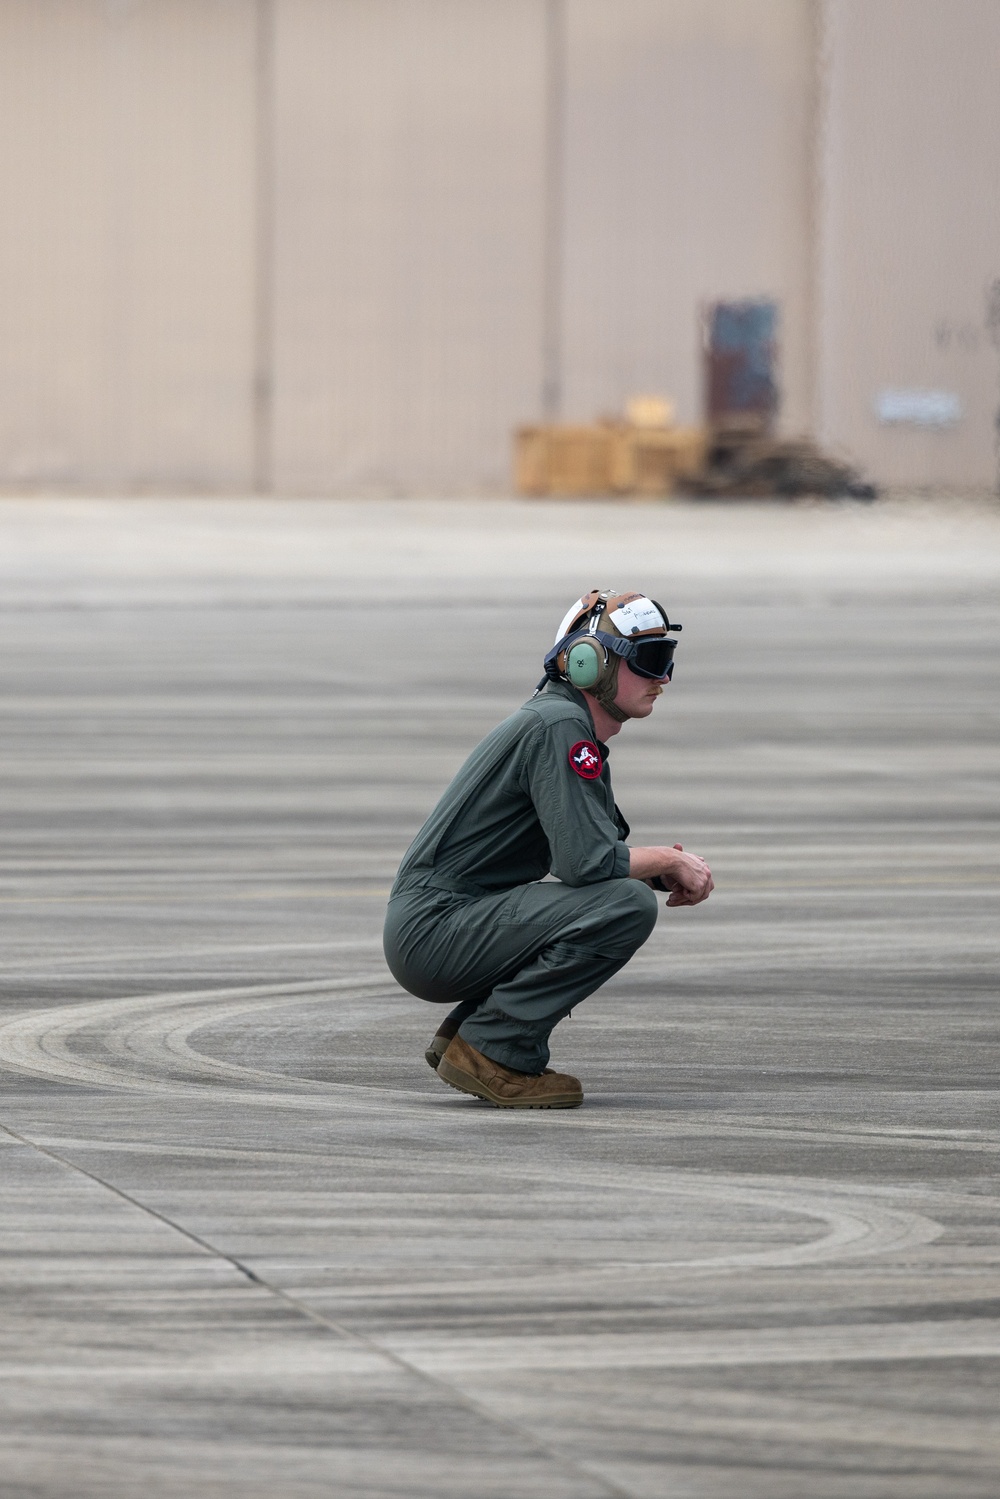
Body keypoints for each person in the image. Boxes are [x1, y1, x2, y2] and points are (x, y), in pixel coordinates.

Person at [382, 588, 714, 1108]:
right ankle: (496, 1051)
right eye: (649, 662)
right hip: (437, 930)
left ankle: (470, 1035)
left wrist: (654, 869)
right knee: (624, 907)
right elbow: (588, 864)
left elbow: (596, 848)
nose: (662, 680)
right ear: (588, 664)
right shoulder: (561, 728)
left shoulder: (562, 724)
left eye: (667, 661)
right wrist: (670, 860)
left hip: (439, 924)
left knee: (618, 896)